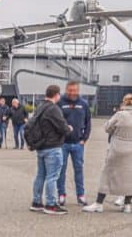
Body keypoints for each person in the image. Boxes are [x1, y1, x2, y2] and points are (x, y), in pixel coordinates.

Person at [84, 94, 132, 214]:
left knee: (107, 173)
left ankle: (99, 203)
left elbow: (107, 128)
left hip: (119, 147)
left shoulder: (120, 115)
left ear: (124, 103)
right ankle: (127, 205)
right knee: (131, 176)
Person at [30, 84, 73, 215]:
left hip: (41, 146)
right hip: (52, 147)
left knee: (40, 175)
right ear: (57, 95)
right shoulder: (53, 109)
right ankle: (51, 204)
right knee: (52, 177)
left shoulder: (40, 107)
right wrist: (69, 128)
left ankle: (36, 202)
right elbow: (63, 128)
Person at [58, 81, 92, 207]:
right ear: (66, 90)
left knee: (79, 170)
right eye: (70, 90)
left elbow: (88, 122)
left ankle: (80, 195)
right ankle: (61, 195)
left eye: (75, 90)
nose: (72, 92)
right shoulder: (60, 102)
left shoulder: (83, 104)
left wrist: (84, 139)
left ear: (78, 90)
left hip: (78, 143)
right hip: (63, 143)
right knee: (61, 170)